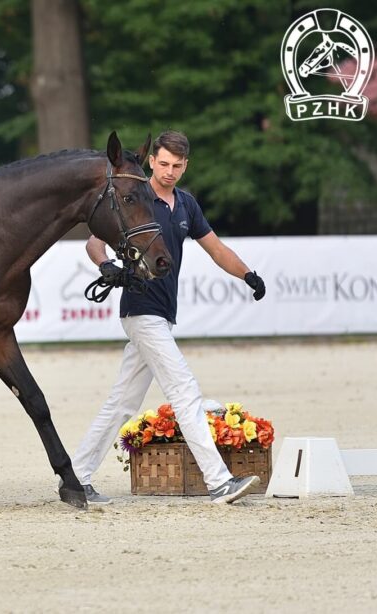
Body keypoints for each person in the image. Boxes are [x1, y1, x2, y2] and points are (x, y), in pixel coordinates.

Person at [70, 130, 266, 505]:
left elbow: (216, 249)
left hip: (163, 314)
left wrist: (246, 274)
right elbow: (95, 241)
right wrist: (107, 265)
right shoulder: (136, 198)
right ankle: (219, 481)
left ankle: (78, 476)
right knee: (184, 391)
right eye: (163, 164)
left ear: (185, 166)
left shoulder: (187, 206)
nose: (170, 171)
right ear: (152, 162)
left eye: (177, 166)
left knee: (121, 404)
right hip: (141, 311)